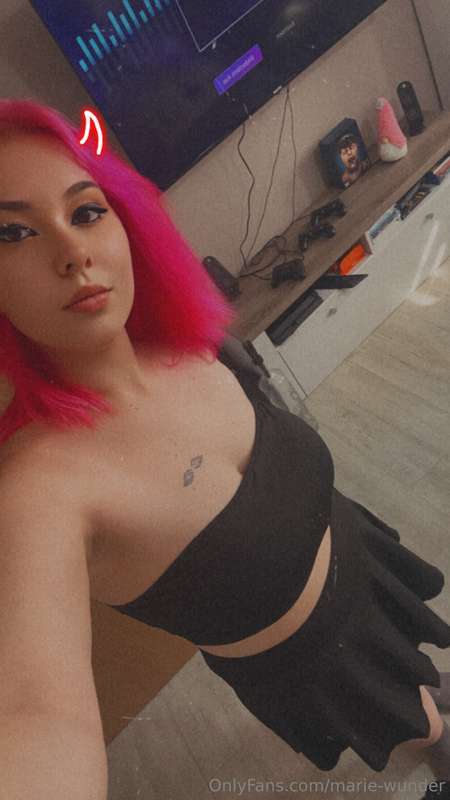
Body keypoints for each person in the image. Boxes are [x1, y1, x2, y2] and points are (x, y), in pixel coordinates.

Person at [0, 99, 449, 800]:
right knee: (422, 726)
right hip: (318, 666)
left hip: (360, 567)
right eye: (13, 233)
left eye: (86, 211)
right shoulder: (36, 490)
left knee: (416, 671)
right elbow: (35, 714)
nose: (72, 253)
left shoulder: (183, 343)